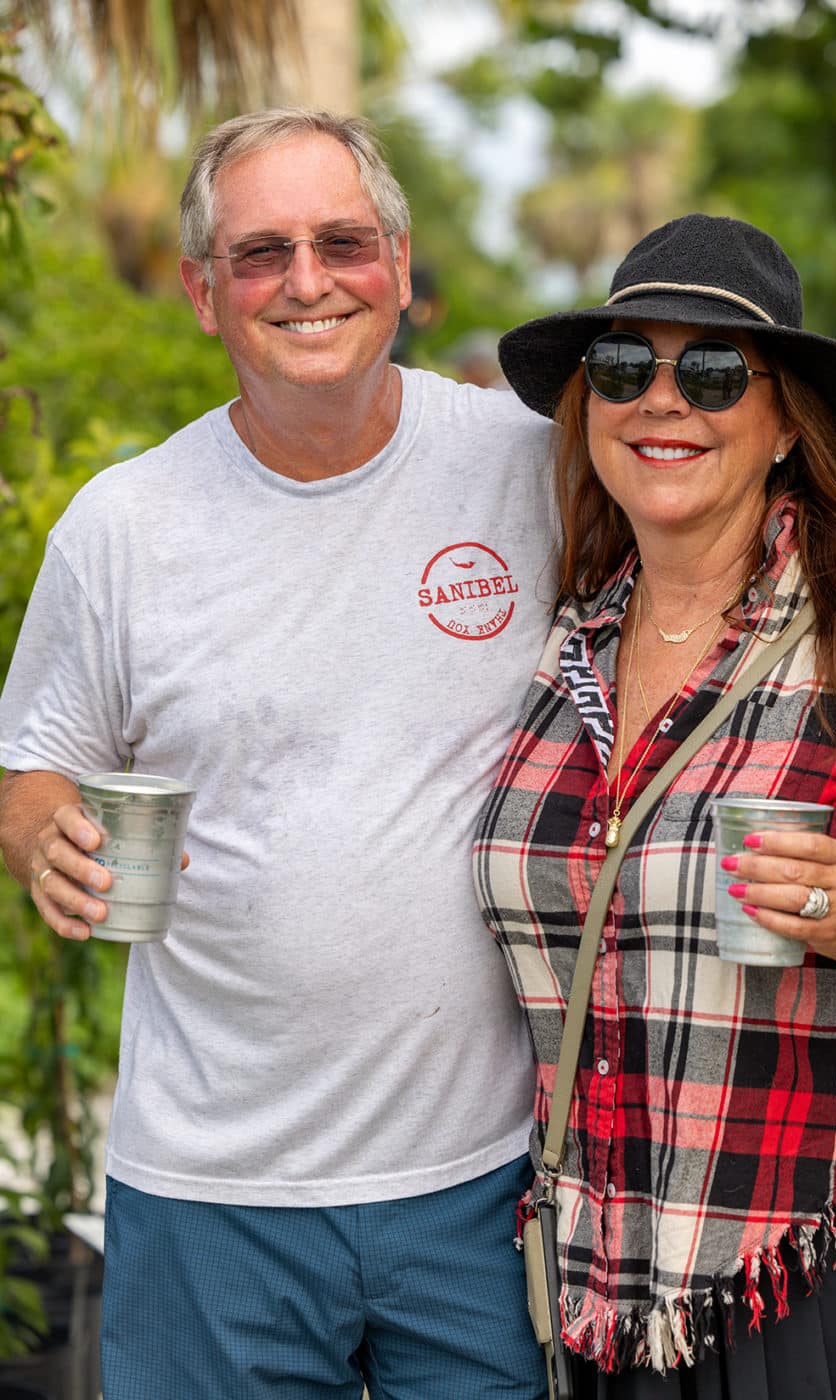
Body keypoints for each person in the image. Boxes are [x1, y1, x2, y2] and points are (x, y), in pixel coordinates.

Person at [0, 108, 556, 1400]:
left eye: (342, 242)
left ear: (401, 268)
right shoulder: (125, 526)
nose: (308, 281)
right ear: (204, 293)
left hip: (482, 1183)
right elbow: (34, 765)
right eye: (261, 253)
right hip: (211, 1188)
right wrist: (42, 840)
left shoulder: (525, 468)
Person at [473, 212, 836, 1400]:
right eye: (623, 365)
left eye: (716, 370)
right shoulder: (556, 648)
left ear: (784, 424)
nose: (661, 399)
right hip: (591, 1290)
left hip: (808, 1284)